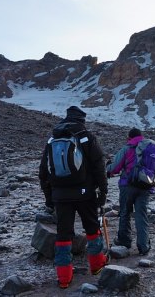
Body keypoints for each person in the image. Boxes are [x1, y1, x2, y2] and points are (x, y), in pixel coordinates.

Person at [38, 106, 108, 288]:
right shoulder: (86, 137)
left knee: (63, 235)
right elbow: (99, 167)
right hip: (85, 194)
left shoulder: (53, 138)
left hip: (60, 196)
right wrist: (103, 191)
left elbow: (43, 172)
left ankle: (64, 278)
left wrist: (49, 198)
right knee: (92, 228)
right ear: (82, 120)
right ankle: (97, 266)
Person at [106, 128, 153, 256]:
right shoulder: (150, 147)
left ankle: (124, 241)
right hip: (145, 186)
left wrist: (107, 170)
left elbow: (115, 167)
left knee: (125, 212)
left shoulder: (128, 148)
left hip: (127, 185)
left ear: (129, 137)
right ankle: (143, 246)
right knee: (141, 214)